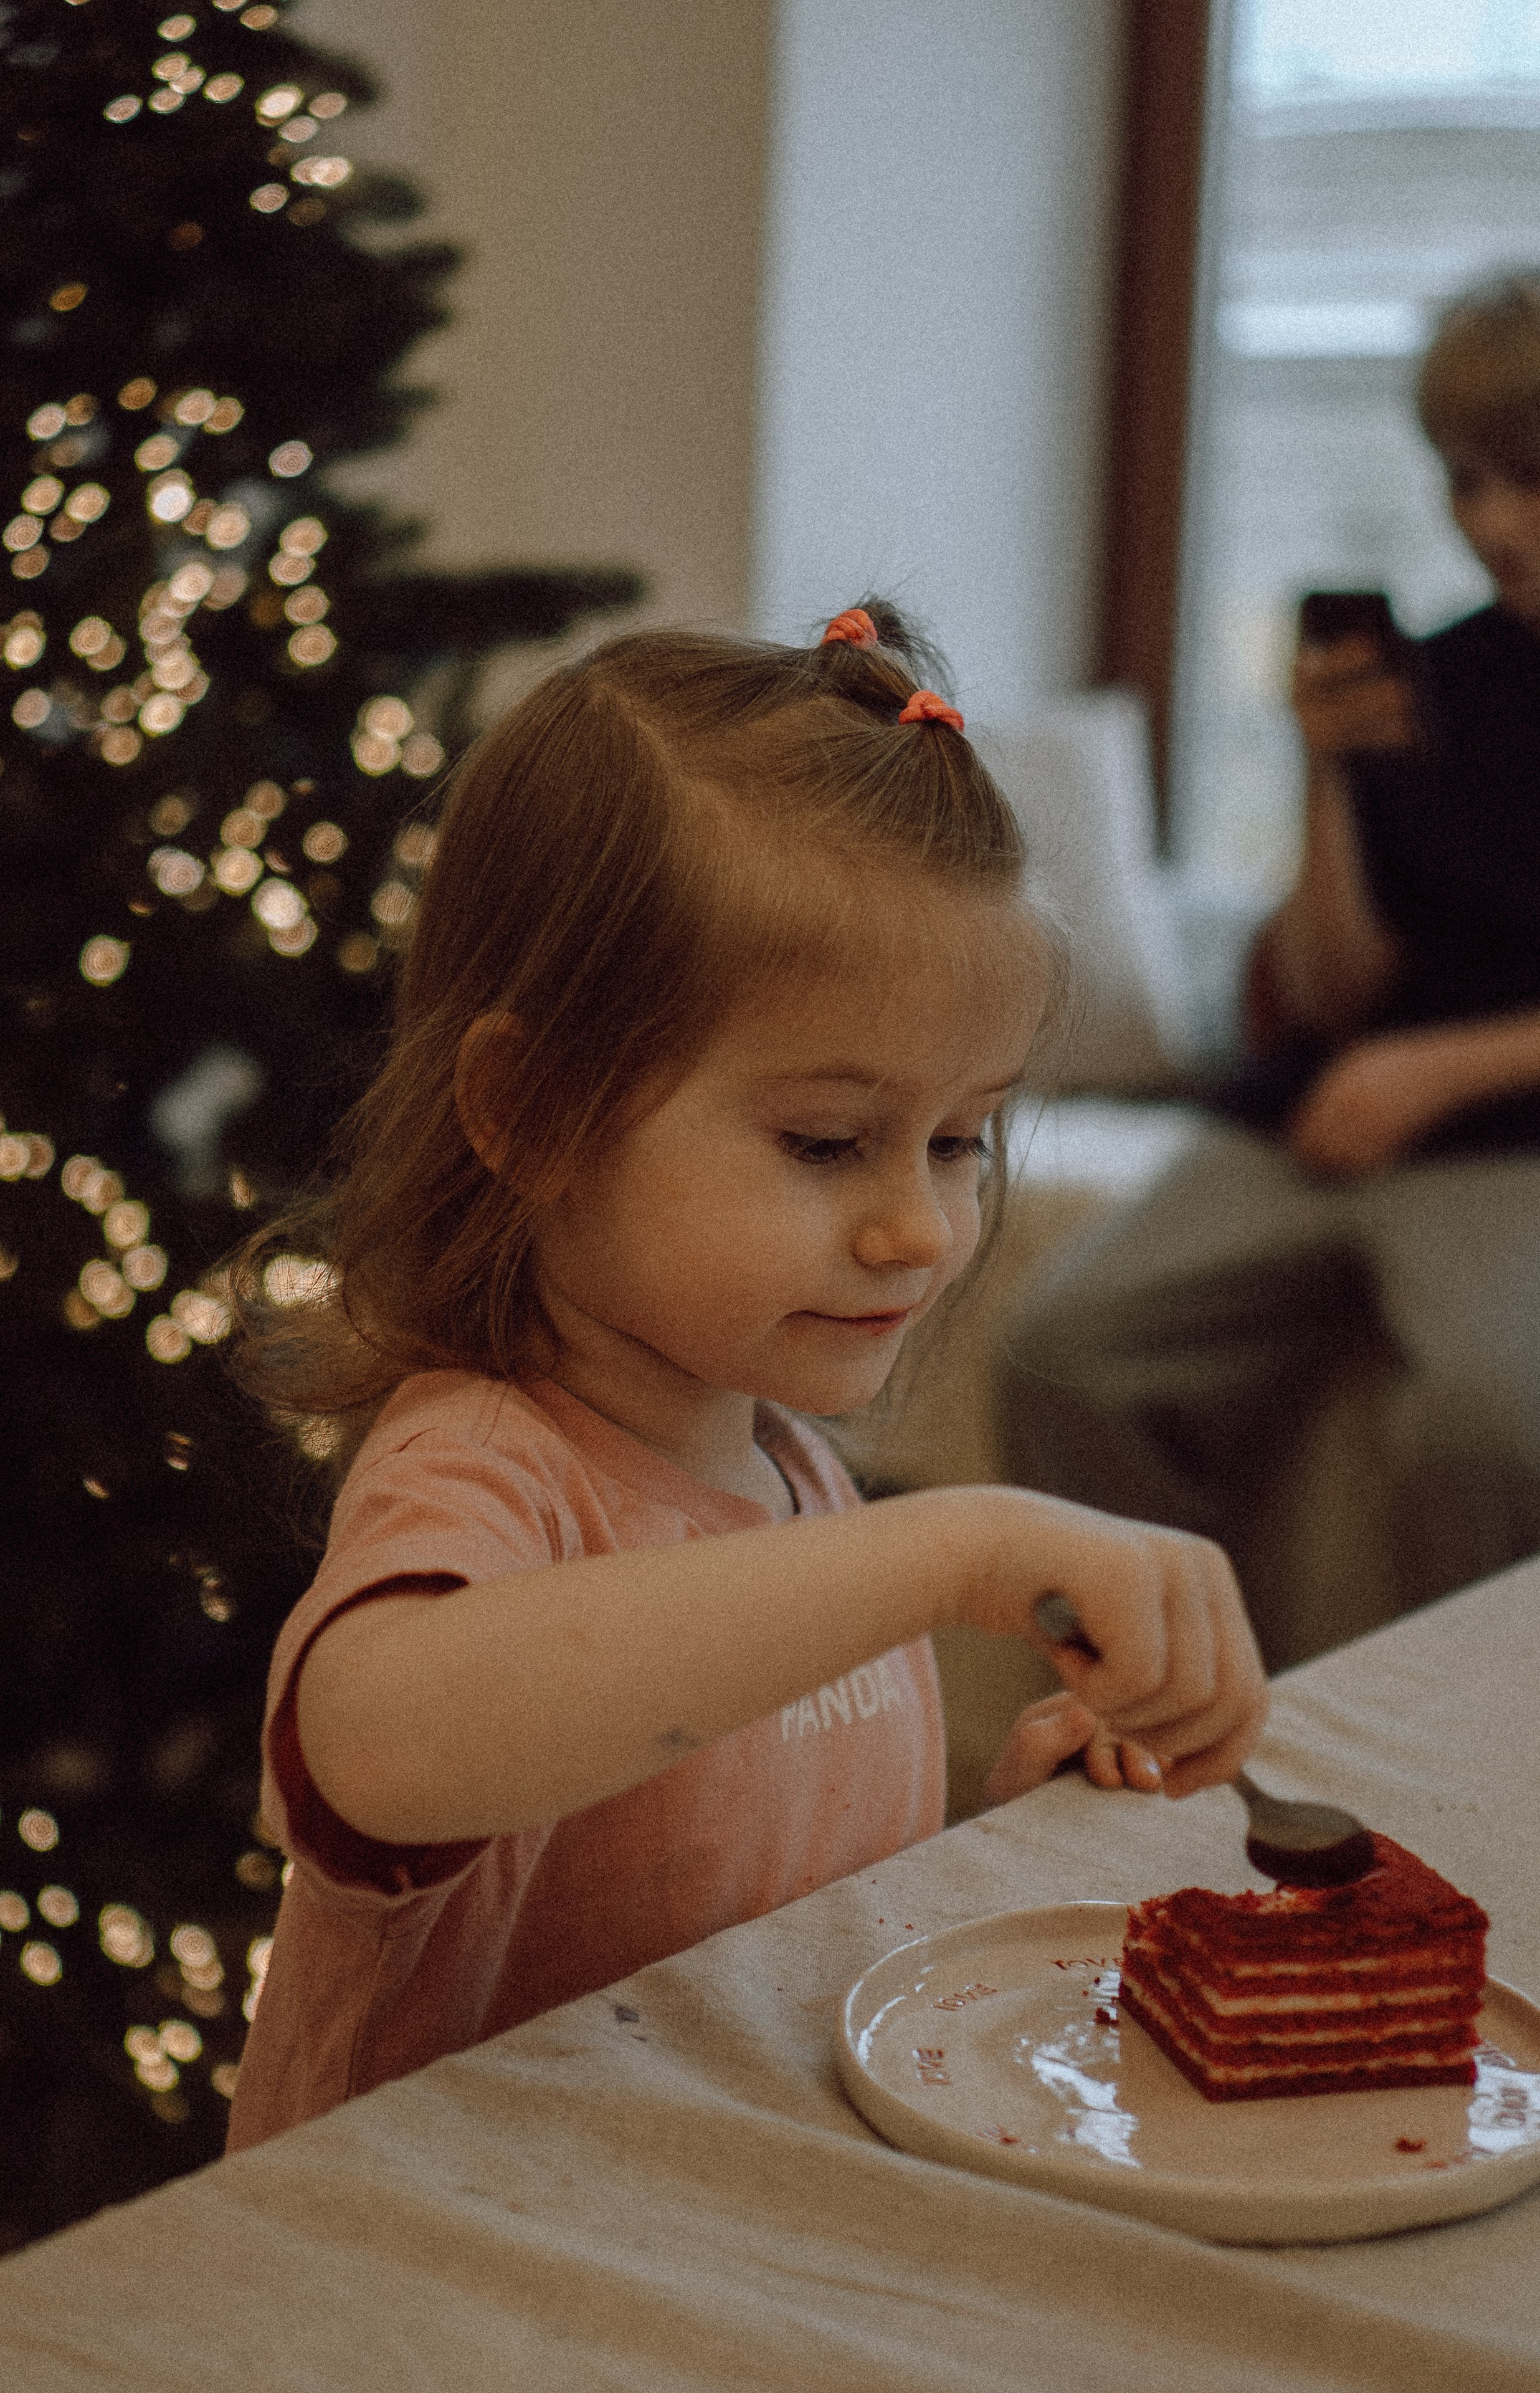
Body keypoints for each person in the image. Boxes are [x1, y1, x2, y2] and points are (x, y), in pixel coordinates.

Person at [224, 602, 1266, 2149]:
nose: (919, 1226)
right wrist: (945, 1548)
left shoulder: (784, 1468)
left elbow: (755, 1933)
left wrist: (1004, 1820)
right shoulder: (487, 1464)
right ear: (526, 1107)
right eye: (826, 1142)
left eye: (960, 1140)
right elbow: (364, 1746)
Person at [999, 269, 1540, 1669]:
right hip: (1321, 1108)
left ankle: (1454, 1777)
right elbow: (1330, 992)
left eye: (1532, 475)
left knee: (1481, 1421)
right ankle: (1169, 1721)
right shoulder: (1428, 677)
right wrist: (1320, 769)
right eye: (1459, 482)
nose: (1488, 523)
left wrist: (1432, 1070)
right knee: (1056, 1349)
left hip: (1536, 1130)